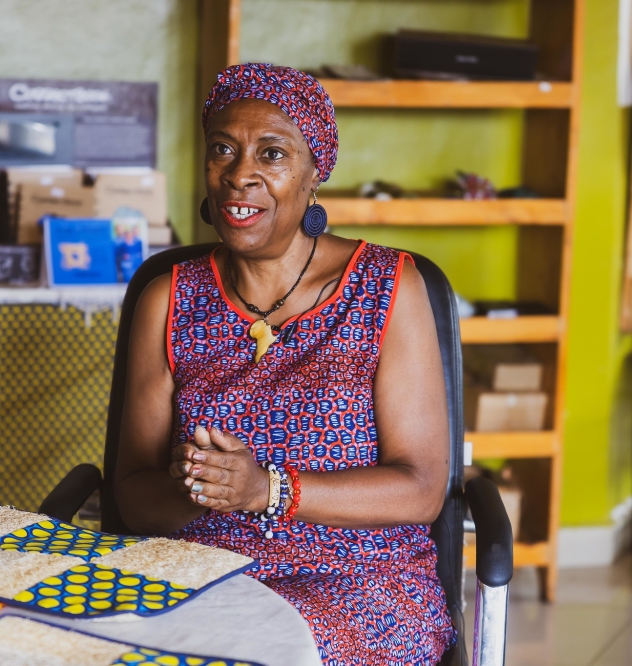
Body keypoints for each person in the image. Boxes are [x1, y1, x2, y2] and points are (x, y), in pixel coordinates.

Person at [115, 63, 456, 665]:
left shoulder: (387, 287)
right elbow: (132, 494)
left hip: (361, 581)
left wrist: (266, 489)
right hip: (202, 573)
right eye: (223, 149)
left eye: (272, 155)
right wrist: (203, 489)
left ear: (312, 174)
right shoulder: (167, 297)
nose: (240, 174)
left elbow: (421, 489)